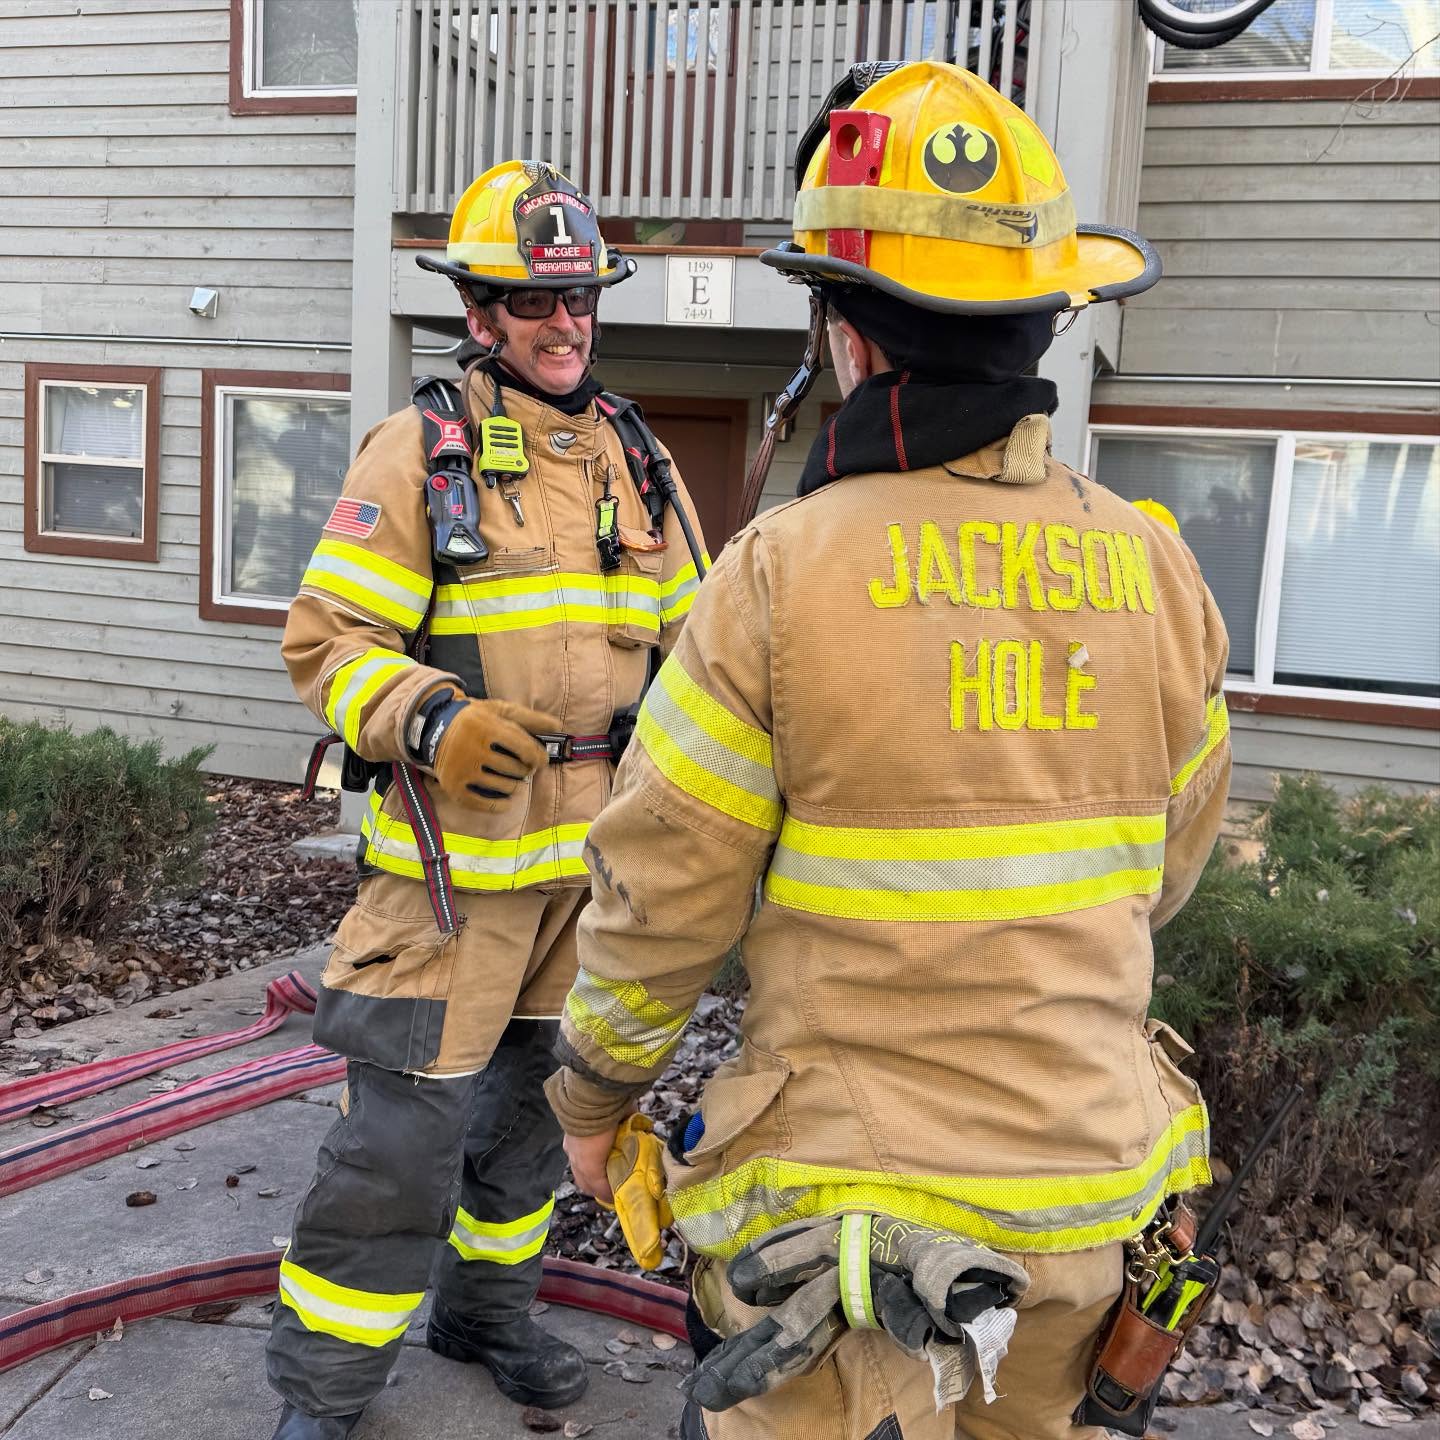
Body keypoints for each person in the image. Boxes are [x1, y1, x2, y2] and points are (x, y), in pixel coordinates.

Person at [545, 62, 1232, 1440]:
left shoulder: (782, 575)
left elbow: (664, 889)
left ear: (846, 338)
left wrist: (596, 1092)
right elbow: (1162, 873)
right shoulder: (1160, 568)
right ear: (1047, 318)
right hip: (1084, 1223)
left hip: (846, 1256)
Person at [266, 159, 707, 1440]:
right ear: (479, 314)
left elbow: (703, 656)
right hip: (449, 885)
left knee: (526, 1131)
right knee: (393, 1150)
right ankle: (326, 1394)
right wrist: (434, 718)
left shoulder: (639, 458)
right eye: (532, 303)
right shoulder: (419, 451)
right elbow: (324, 639)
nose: (563, 325)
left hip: (589, 883)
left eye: (579, 301)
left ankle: (486, 1314)